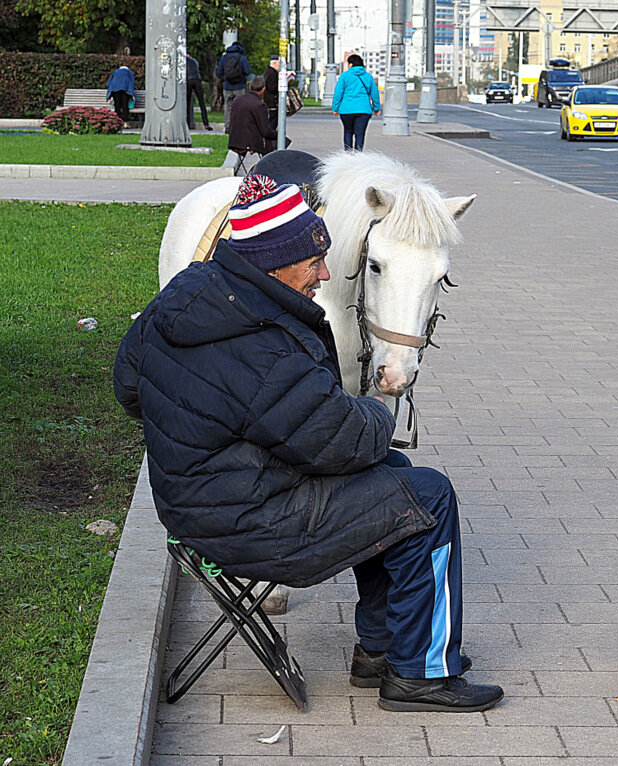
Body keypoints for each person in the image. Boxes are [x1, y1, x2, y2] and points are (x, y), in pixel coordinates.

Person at [112, 174, 504, 713]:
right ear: (274, 263)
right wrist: (377, 410)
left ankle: (382, 648)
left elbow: (129, 389)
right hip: (255, 525)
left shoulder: (182, 298)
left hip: (190, 508)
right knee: (429, 496)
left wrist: (215, 443)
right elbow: (340, 440)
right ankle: (421, 674)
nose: (324, 275)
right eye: (313, 262)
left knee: (389, 477)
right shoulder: (266, 345)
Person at [331, 54, 381, 151]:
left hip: (346, 110)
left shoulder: (344, 76)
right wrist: (376, 108)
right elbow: (374, 93)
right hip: (364, 110)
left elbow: (338, 92)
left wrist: (335, 108)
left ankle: (348, 154)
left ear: (350, 65)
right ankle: (358, 155)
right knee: (360, 133)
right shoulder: (368, 77)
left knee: (348, 131)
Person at [228, 76, 278, 159]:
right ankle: (270, 166)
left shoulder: (237, 100)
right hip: (248, 143)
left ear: (250, 87)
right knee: (276, 140)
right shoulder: (259, 105)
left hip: (234, 141)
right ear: (263, 89)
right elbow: (265, 131)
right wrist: (277, 134)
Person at [216, 41, 252, 134]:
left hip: (227, 87)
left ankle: (228, 127)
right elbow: (247, 71)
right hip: (240, 87)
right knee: (241, 107)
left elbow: (219, 72)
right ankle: (239, 127)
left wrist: (226, 79)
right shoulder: (242, 58)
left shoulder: (224, 57)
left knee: (228, 107)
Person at [186, 54, 213, 131]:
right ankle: (206, 124)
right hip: (197, 80)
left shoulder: (183, 61)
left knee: (187, 104)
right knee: (202, 103)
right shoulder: (194, 61)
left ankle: (188, 124)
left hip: (188, 80)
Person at [263, 55, 281, 126]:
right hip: (272, 101)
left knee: (273, 119)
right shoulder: (272, 73)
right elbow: (272, 88)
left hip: (270, 100)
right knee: (272, 120)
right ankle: (271, 135)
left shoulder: (269, 72)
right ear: (275, 63)